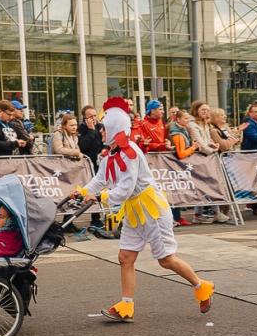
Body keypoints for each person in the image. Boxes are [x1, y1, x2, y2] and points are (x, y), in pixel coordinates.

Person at [73, 97, 214, 322]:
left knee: (166, 260)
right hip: (134, 211)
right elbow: (100, 180)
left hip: (152, 210)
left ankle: (202, 286)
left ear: (114, 129)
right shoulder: (110, 153)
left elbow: (126, 189)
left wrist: (99, 197)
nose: (100, 133)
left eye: (103, 129)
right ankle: (126, 306)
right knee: (125, 257)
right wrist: (81, 192)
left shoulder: (131, 153)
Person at [77, 106, 116, 238]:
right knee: (90, 190)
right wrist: (92, 131)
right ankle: (93, 217)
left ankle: (105, 218)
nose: (93, 119)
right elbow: (83, 146)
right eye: (90, 116)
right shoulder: (82, 129)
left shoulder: (101, 126)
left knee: (103, 188)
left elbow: (106, 141)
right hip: (88, 164)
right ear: (85, 118)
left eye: (95, 115)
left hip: (101, 162)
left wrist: (104, 151)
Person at [187, 100, 222, 223]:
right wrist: (212, 151)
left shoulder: (206, 124)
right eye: (203, 110)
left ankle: (205, 213)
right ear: (196, 110)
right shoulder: (192, 125)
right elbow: (199, 143)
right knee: (205, 184)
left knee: (209, 184)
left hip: (207, 157)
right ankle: (208, 213)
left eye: (207, 110)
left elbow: (206, 141)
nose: (206, 112)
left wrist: (213, 145)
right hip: (198, 158)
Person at [167, 110, 198, 226]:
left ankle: (177, 216)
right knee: (175, 192)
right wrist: (193, 148)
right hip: (176, 166)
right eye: (185, 118)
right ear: (178, 119)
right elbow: (181, 153)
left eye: (188, 118)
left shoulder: (183, 130)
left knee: (177, 191)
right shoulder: (178, 134)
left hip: (179, 166)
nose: (188, 121)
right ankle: (175, 217)